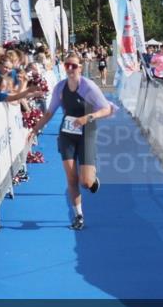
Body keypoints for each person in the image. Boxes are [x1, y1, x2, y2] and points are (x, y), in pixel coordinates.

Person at [27, 54, 113, 230]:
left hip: (87, 133)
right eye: (67, 66)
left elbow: (107, 109)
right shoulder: (60, 88)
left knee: (86, 182)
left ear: (80, 67)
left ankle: (93, 179)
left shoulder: (88, 87)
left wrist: (88, 117)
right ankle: (79, 216)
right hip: (67, 133)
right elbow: (49, 113)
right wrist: (34, 130)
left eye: (74, 66)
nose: (71, 69)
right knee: (71, 177)